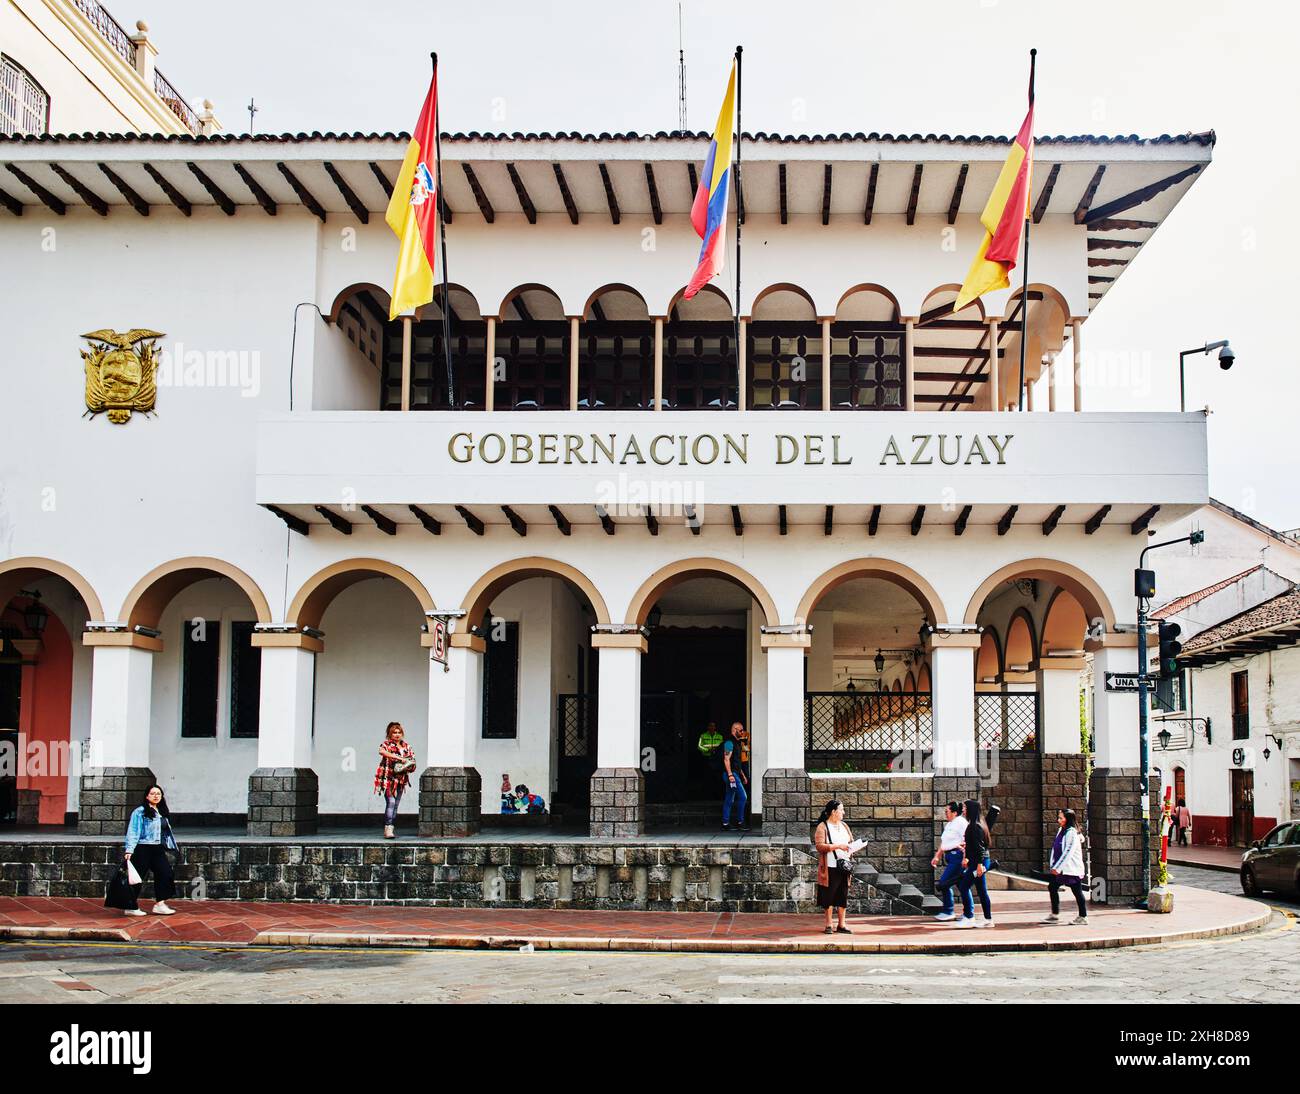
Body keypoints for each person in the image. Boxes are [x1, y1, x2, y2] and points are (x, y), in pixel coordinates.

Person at [121, 785, 179, 917]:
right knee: (136, 878)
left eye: (158, 793)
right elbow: (133, 831)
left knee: (165, 873)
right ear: (147, 796)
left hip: (157, 848)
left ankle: (160, 904)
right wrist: (129, 850)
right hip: (142, 847)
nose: (156, 796)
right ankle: (130, 906)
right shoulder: (140, 811)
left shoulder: (161, 811)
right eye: (152, 793)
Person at [813, 799, 858, 934]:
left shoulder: (844, 825)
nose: (843, 812)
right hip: (830, 867)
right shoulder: (823, 827)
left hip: (844, 866)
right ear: (833, 812)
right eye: (841, 810)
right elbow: (819, 846)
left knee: (842, 895)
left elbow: (850, 841)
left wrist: (853, 847)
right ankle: (828, 925)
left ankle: (841, 924)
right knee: (829, 896)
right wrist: (838, 846)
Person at [1042, 807, 1088, 925]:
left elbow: (1068, 851)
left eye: (1061, 818)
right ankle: (1055, 914)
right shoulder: (1062, 830)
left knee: (1077, 891)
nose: (1058, 820)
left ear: (1068, 819)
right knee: (1052, 887)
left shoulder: (1071, 833)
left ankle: (1083, 916)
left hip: (1070, 869)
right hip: (1062, 869)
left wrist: (1057, 867)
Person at [955, 799, 994, 929]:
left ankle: (969, 917)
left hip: (979, 863)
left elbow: (980, 849)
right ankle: (988, 919)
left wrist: (978, 865)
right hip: (979, 862)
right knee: (982, 891)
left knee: (964, 886)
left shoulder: (975, 826)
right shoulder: (978, 824)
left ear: (971, 809)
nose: (963, 810)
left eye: (965, 808)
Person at [374, 721, 416, 839]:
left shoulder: (407, 747)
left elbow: (412, 761)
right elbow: (381, 751)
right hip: (387, 778)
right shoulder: (386, 745)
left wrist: (409, 764)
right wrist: (399, 758)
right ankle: (388, 828)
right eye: (394, 733)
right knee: (391, 802)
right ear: (390, 734)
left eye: (399, 732)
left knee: (396, 804)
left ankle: (391, 827)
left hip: (401, 779)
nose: (397, 735)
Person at [931, 800, 971, 921]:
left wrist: (965, 856)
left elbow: (968, 839)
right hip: (950, 856)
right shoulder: (949, 824)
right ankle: (968, 913)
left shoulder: (961, 822)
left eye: (947, 811)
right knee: (962, 886)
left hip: (957, 857)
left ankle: (949, 911)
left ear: (954, 812)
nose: (945, 814)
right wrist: (937, 856)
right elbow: (944, 843)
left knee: (944, 883)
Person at [721, 721, 750, 832]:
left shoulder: (738, 743)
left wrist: (742, 775)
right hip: (731, 774)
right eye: (741, 730)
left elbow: (736, 762)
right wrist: (730, 775)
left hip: (735, 774)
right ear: (734, 730)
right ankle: (740, 822)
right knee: (743, 797)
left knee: (729, 798)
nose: (743, 732)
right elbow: (726, 759)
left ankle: (725, 823)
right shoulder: (729, 743)